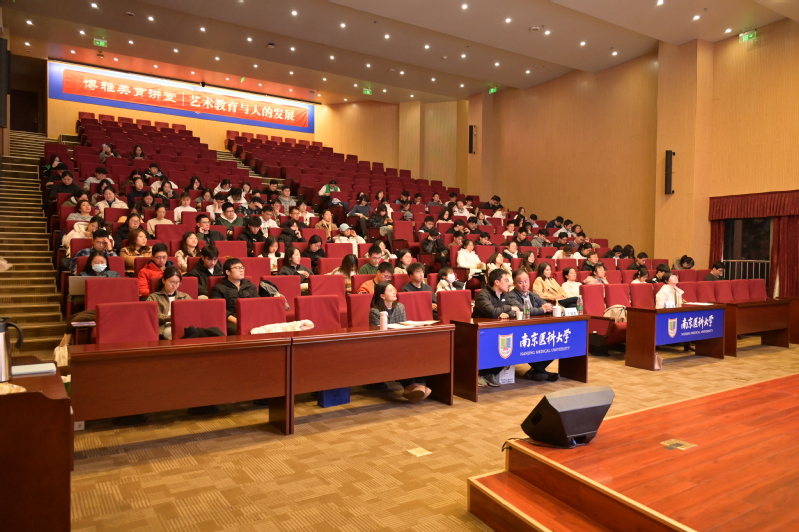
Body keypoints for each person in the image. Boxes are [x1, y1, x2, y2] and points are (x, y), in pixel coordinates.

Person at [368, 283, 432, 402]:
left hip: (399, 343)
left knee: (412, 349)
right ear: (382, 295)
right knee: (399, 354)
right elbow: (377, 335)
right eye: (390, 290)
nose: (394, 292)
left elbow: (404, 327)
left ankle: (413, 386)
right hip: (382, 346)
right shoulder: (375, 311)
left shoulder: (400, 307)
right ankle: (411, 386)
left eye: (394, 289)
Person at [506, 269, 559, 381]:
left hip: (537, 327)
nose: (524, 284)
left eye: (526, 281)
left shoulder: (533, 294)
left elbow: (546, 305)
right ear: (514, 283)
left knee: (554, 345)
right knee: (529, 348)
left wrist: (547, 307)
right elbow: (523, 310)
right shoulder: (511, 296)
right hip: (522, 329)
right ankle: (544, 373)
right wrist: (541, 310)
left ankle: (534, 372)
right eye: (521, 282)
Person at [473, 269, 519, 387]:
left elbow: (516, 310)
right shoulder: (483, 295)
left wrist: (506, 312)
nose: (509, 283)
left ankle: (491, 373)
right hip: (481, 332)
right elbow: (492, 312)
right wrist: (508, 309)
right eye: (506, 280)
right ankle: (480, 374)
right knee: (494, 345)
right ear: (497, 282)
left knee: (511, 345)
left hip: (498, 329)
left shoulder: (505, 295)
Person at [210, 258, 260, 335]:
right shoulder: (218, 288)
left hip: (251, 317)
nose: (241, 270)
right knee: (235, 330)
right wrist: (236, 321)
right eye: (237, 268)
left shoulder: (250, 286)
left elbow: (258, 304)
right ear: (228, 272)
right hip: (232, 320)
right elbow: (217, 309)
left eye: (242, 267)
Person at [146, 267, 192, 339]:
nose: (174, 285)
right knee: (178, 333)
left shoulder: (185, 296)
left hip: (184, 325)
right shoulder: (154, 297)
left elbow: (194, 312)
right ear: (163, 280)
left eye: (177, 282)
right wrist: (172, 318)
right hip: (165, 326)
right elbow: (151, 316)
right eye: (171, 282)